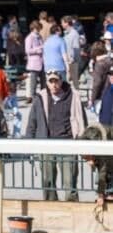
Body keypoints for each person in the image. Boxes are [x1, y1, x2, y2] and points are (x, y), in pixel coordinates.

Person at [25, 70, 87, 201]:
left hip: (68, 144)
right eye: (51, 81)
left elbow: (82, 120)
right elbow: (32, 123)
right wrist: (28, 145)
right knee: (48, 182)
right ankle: (49, 206)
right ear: (47, 83)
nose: (54, 85)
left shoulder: (73, 96)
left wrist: (84, 142)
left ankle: (72, 207)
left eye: (56, 81)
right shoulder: (40, 98)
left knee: (70, 181)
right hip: (46, 144)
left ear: (61, 81)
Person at [78, 124, 113, 206]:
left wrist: (100, 195)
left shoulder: (101, 151)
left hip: (109, 141)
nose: (88, 162)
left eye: (88, 158)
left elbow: (102, 171)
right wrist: (89, 159)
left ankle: (109, 192)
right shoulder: (82, 145)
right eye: (86, 158)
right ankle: (105, 192)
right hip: (102, 140)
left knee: (107, 169)